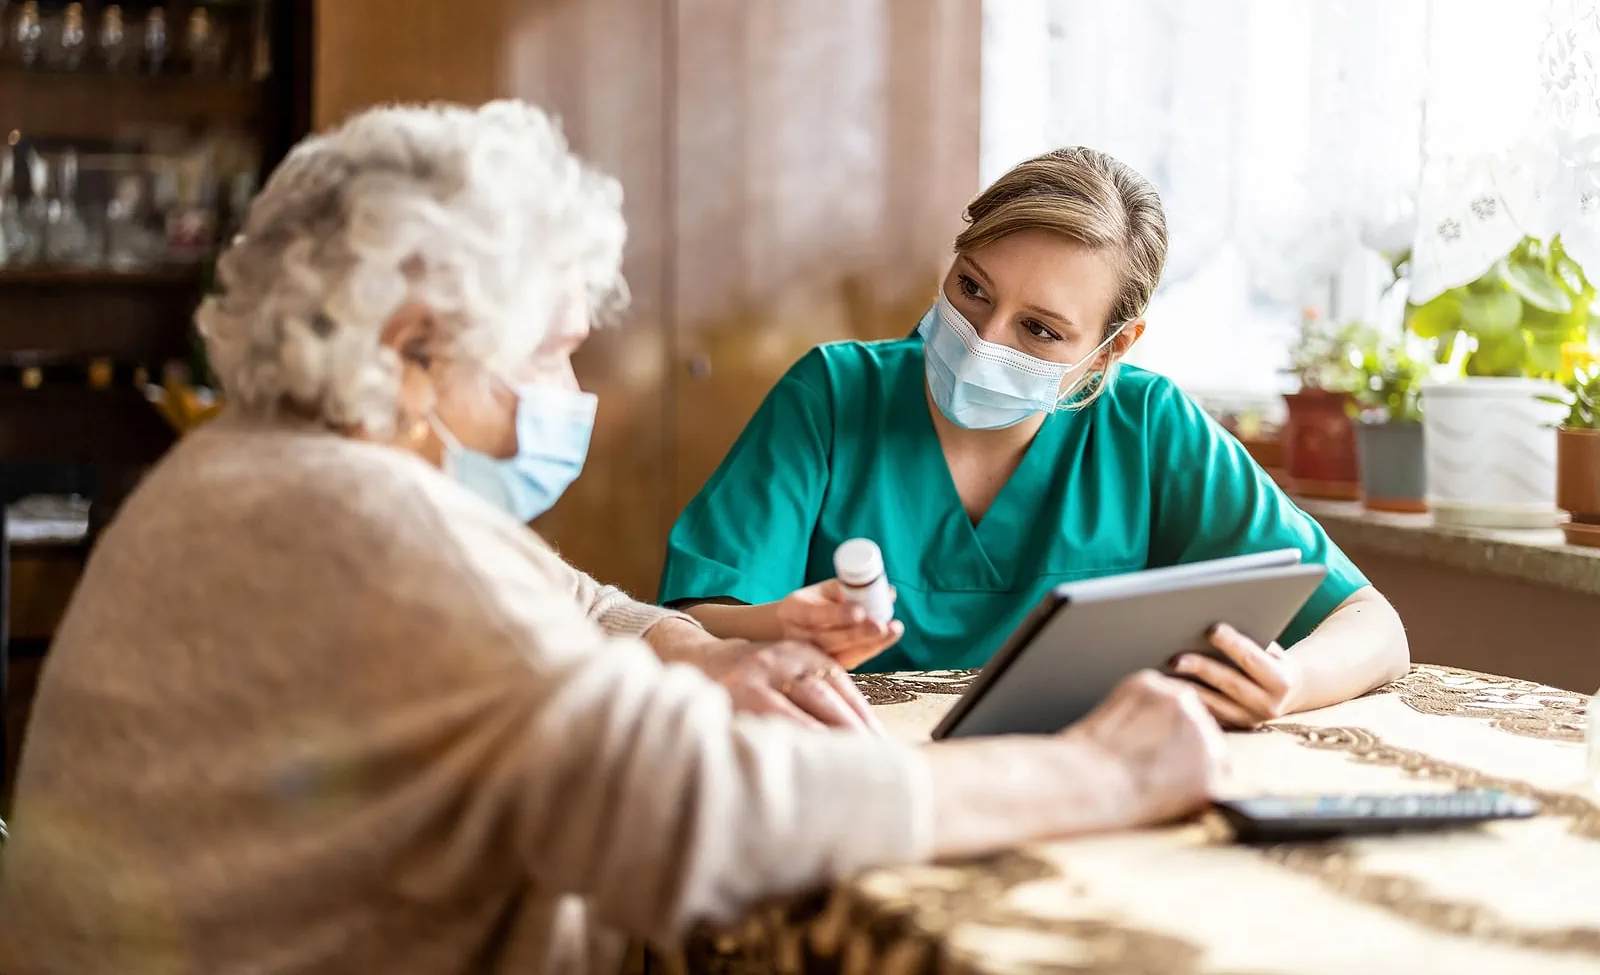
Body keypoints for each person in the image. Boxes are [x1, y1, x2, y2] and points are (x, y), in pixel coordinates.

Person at [0, 104, 1228, 975]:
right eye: (549, 348)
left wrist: (697, 654)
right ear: (419, 347)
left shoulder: (267, 462)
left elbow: (561, 600)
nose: (572, 383)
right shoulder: (358, 526)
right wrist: (1096, 776)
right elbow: (696, 807)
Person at [660, 147, 1410, 726]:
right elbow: (686, 625)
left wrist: (1291, 683)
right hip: (860, 781)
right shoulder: (830, 395)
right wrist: (776, 623)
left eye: (1040, 329)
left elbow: (1373, 625)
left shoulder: (1146, 426)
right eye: (972, 287)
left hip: (1070, 793)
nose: (981, 339)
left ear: (1113, 348)